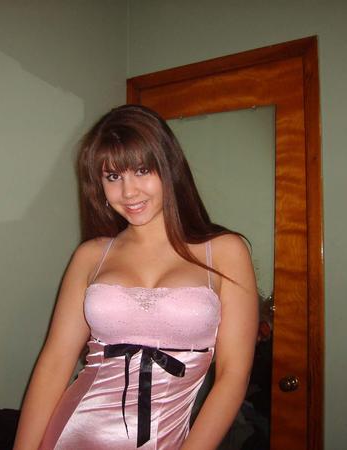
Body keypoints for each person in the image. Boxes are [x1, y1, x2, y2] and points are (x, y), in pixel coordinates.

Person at [13, 105, 258, 450]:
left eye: (142, 170)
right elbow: (54, 364)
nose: (128, 192)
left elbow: (233, 376)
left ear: (169, 168)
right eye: (113, 177)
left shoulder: (225, 251)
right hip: (72, 434)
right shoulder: (91, 256)